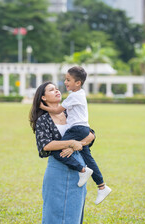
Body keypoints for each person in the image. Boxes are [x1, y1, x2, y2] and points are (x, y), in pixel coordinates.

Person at [40, 66, 111, 205]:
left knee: (56, 151)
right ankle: (102, 186)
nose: (65, 82)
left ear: (77, 83)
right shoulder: (81, 93)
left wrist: (41, 107)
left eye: (68, 80)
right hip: (84, 128)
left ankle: (82, 170)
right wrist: (74, 146)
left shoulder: (73, 96)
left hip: (77, 129)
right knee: (88, 158)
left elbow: (56, 110)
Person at [29, 81, 95, 224]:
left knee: (74, 212)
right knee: (55, 212)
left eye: (57, 89)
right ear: (43, 98)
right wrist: (71, 143)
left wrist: (76, 145)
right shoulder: (43, 120)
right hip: (57, 170)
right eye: (52, 90)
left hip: (80, 169)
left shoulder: (70, 111)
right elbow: (45, 145)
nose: (57, 91)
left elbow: (90, 134)